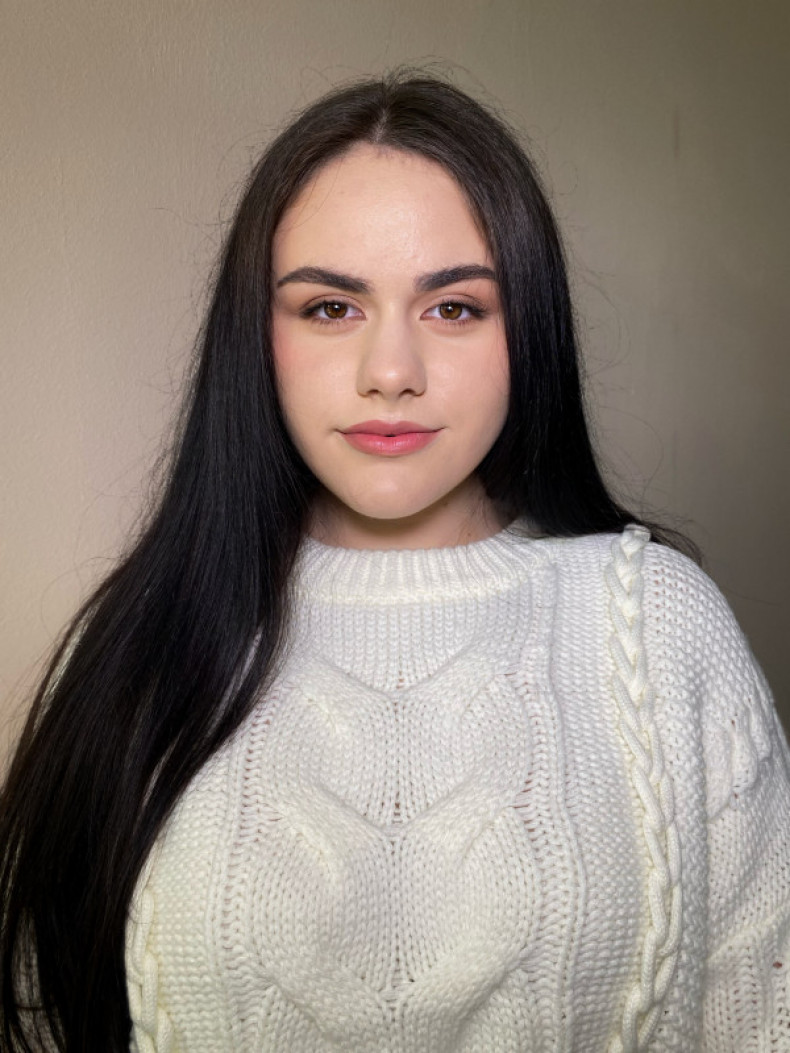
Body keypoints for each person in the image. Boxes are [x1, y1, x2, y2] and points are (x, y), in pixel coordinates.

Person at [1, 72, 788, 1053]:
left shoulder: (658, 631)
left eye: (453, 308)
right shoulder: (139, 640)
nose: (390, 373)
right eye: (330, 307)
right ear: (257, 337)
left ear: (527, 329)